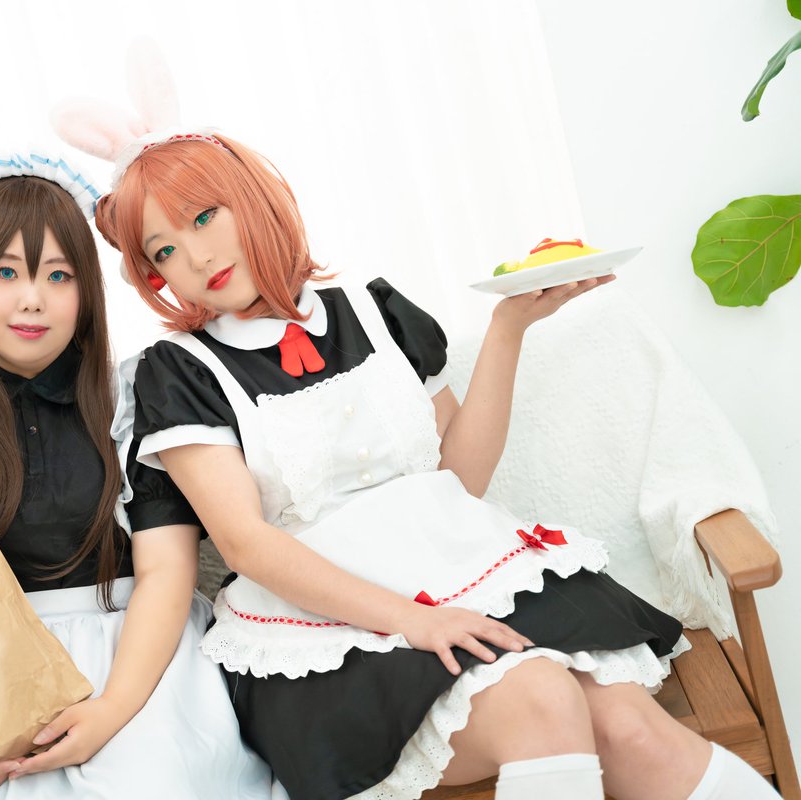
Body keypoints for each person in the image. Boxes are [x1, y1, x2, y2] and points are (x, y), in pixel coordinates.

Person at [80, 130, 780, 800]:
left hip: (473, 576)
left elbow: (458, 481)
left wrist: (509, 328)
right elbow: (246, 545)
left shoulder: (376, 311)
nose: (196, 256)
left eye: (205, 216)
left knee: (635, 734)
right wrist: (412, 621)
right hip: (330, 636)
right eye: (164, 250)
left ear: (253, 198)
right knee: (542, 700)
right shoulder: (178, 374)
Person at [0, 152, 273, 799]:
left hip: (144, 665)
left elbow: (166, 573)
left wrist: (109, 711)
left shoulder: (142, 400)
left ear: (87, 292)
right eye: (5, 272)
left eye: (58, 274)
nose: (32, 298)